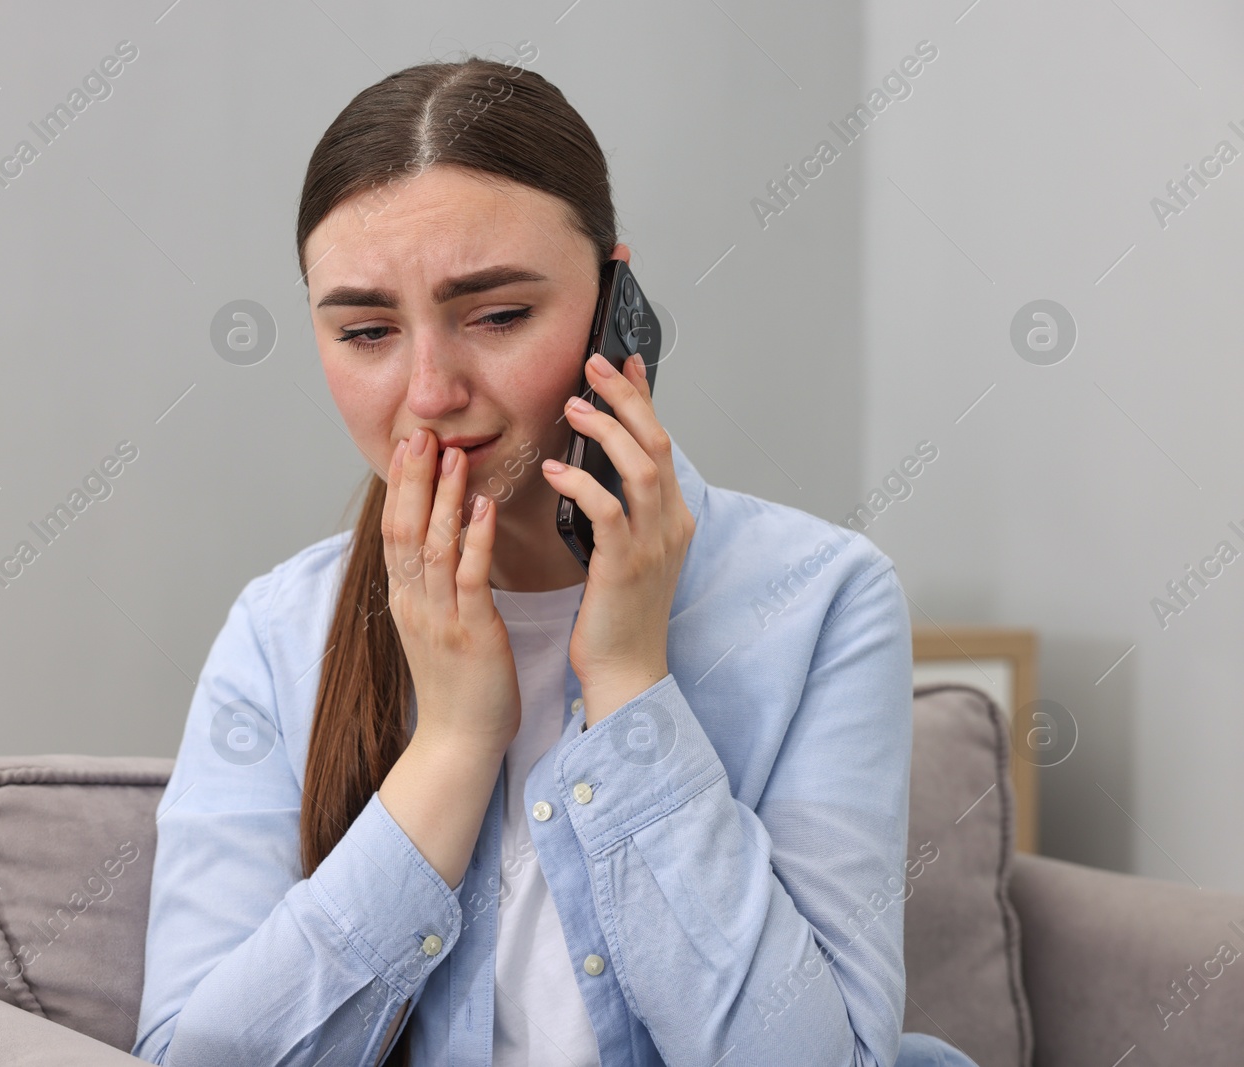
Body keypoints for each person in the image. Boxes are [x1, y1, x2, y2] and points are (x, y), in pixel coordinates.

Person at [133, 55, 980, 1067]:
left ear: (617, 301)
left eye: (496, 315)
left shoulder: (823, 599)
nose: (430, 392)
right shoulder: (278, 634)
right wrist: (450, 742)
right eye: (365, 330)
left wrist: (628, 683)